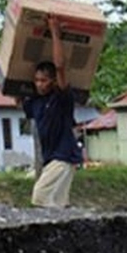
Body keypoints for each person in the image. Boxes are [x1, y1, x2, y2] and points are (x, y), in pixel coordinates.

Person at [22, 15, 82, 208]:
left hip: (64, 156)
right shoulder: (35, 103)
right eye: (37, 80)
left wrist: (55, 32)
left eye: (44, 80)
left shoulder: (62, 98)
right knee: (57, 205)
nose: (39, 84)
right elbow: (16, 96)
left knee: (39, 196)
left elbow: (60, 67)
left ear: (53, 81)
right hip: (52, 160)